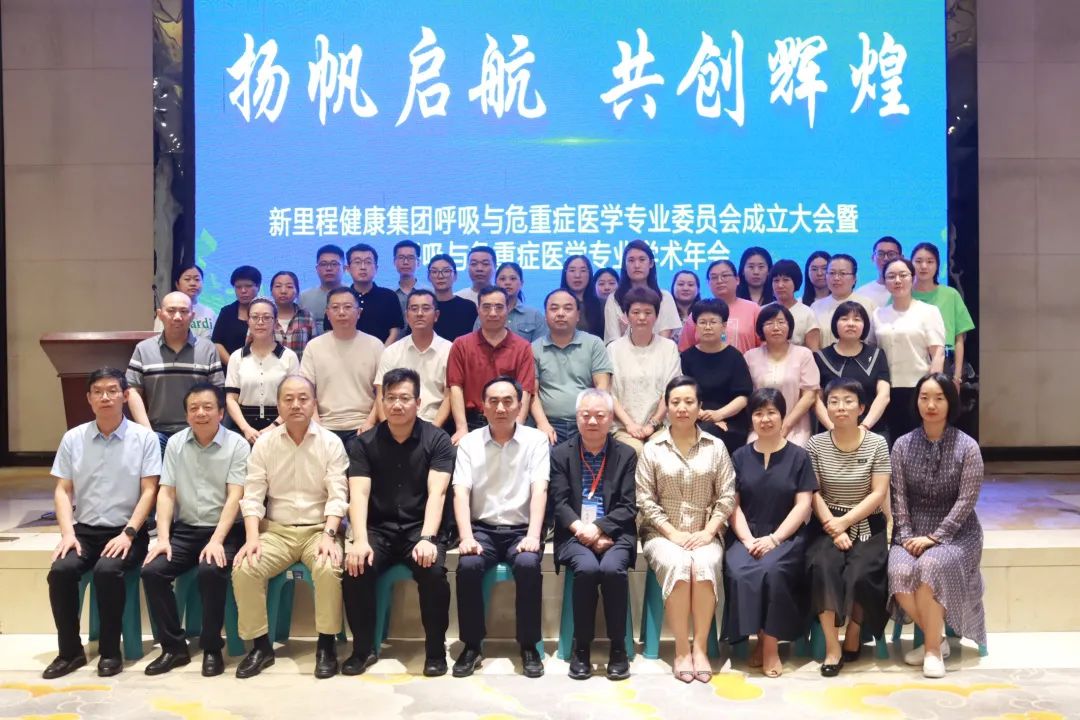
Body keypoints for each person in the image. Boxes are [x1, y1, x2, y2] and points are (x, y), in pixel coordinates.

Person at [44, 368, 160, 679]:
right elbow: (62, 490)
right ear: (89, 398)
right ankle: (70, 652)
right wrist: (67, 534)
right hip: (84, 531)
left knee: (107, 571)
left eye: (112, 390)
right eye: (98, 391)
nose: (105, 397)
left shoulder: (144, 438)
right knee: (61, 572)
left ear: (126, 395)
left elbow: (150, 490)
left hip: (127, 532)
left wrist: (128, 533)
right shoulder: (73, 438)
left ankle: (110, 651)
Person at [231, 375, 349, 679]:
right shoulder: (265, 444)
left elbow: (338, 496)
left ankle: (326, 645)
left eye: (303, 398)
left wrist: (329, 535)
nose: (296, 405)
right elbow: (253, 495)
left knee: (328, 566)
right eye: (288, 399)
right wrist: (252, 538)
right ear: (278, 405)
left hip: (318, 530)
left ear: (314, 403)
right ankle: (261, 647)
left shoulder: (331, 443)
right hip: (276, 531)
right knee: (246, 567)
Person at [341, 368, 456, 677]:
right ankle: (362, 649)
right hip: (378, 529)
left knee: (433, 572)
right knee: (355, 568)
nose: (397, 405)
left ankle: (435, 651)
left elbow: (438, 492)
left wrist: (428, 538)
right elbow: (359, 493)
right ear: (381, 402)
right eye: (390, 398)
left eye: (405, 398)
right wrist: (359, 540)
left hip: (421, 528)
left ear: (418, 402)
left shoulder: (438, 440)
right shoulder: (364, 443)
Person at [141, 383, 249, 677]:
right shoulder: (176, 443)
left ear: (221, 412)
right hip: (186, 530)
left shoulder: (237, 445)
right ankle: (174, 648)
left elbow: (236, 496)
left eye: (207, 407)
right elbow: (166, 493)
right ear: (187, 414)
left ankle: (212, 647)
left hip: (226, 530)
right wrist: (163, 538)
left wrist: (216, 540)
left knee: (210, 571)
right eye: (194, 408)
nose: (201, 413)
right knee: (152, 571)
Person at [636, 376, 736, 683]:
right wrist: (672, 534)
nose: (681, 408)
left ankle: (700, 648)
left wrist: (709, 532)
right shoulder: (652, 448)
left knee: (703, 565)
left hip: (705, 532)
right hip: (661, 533)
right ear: (666, 407)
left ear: (699, 406)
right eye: (675, 402)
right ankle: (681, 650)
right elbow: (644, 499)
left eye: (689, 402)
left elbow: (727, 495)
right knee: (679, 564)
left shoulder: (716, 446)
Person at [888, 373, 986, 679]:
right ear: (916, 401)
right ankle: (938, 639)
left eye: (939, 398)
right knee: (898, 572)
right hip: (911, 532)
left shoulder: (968, 447)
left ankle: (931, 650)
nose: (931, 405)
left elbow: (966, 501)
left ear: (950, 403)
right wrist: (906, 536)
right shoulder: (902, 445)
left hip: (958, 534)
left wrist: (935, 537)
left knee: (930, 565)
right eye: (924, 398)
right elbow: (898, 496)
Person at [451, 377, 550, 679]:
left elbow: (540, 489)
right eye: (493, 401)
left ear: (520, 406)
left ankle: (529, 646)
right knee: (468, 565)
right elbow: (460, 492)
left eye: (508, 401)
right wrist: (466, 537)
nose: (501, 408)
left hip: (522, 530)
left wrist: (533, 536)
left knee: (528, 564)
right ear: (483, 407)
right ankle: (472, 646)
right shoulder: (469, 443)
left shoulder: (536, 440)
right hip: (483, 530)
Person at [722, 388, 816, 678]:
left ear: (782, 416)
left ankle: (771, 646)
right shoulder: (739, 456)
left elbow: (803, 505)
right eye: (759, 413)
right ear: (751, 418)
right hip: (747, 534)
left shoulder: (799, 456)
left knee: (773, 571)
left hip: (786, 535)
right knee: (740, 571)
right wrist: (748, 539)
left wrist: (775, 539)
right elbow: (733, 506)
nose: (765, 419)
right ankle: (759, 637)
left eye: (771, 412)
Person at [805, 379, 891, 677]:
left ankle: (854, 629)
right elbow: (813, 492)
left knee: (862, 573)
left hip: (868, 523)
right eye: (834, 401)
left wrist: (845, 522)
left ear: (861, 408)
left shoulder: (877, 443)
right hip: (827, 523)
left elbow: (878, 493)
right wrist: (835, 527)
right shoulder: (815, 444)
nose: (840, 407)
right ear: (826, 408)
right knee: (823, 567)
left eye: (848, 401)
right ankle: (833, 646)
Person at [551, 389, 638, 681]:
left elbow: (628, 506)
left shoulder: (626, 454)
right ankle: (582, 648)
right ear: (576, 417)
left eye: (599, 415)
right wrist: (583, 530)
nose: (592, 421)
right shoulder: (561, 454)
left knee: (612, 569)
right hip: (573, 533)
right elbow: (559, 503)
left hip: (616, 533)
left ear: (611, 418)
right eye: (585, 415)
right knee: (587, 569)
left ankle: (618, 648)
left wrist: (598, 528)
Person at [127, 291, 224, 452]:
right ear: (160, 315)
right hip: (157, 432)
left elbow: (217, 391)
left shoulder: (208, 349)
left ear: (192, 316)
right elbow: (132, 390)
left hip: (198, 430)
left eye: (184, 311)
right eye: (171, 311)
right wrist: (147, 432)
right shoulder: (143, 349)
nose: (177, 317)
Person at [446, 286, 536, 443]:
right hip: (472, 422)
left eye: (499, 307)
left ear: (508, 309)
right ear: (478, 310)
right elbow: (455, 388)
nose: (493, 313)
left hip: (510, 419)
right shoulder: (461, 345)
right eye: (486, 307)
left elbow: (525, 391)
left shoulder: (523, 347)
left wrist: (517, 428)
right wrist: (461, 428)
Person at [873, 258, 945, 442]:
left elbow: (938, 353)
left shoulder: (929, 311)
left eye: (903, 275)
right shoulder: (878, 314)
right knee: (892, 441)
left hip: (918, 387)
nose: (897, 280)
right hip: (886, 389)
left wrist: (932, 387)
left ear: (912, 278)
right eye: (891, 276)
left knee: (920, 440)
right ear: (885, 281)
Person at [300, 287, 384, 443]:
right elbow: (306, 391)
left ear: (359, 312)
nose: (341, 312)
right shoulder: (314, 347)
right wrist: (316, 423)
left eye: (347, 307)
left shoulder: (375, 345)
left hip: (363, 424)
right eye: (335, 307)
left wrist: (370, 422)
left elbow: (382, 392)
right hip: (324, 425)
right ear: (327, 313)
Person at [531, 289, 613, 445]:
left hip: (587, 421)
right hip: (550, 423)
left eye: (568, 308)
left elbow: (602, 387)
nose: (560, 313)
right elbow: (532, 393)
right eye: (554, 308)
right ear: (545, 315)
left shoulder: (594, 343)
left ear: (578, 315)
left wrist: (590, 418)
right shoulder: (534, 348)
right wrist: (542, 424)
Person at [608, 287, 682, 455]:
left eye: (648, 312)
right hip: (623, 427)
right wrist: (629, 425)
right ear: (626, 316)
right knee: (635, 450)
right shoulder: (614, 349)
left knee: (657, 449)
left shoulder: (669, 347)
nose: (642, 317)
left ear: (656, 316)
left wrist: (652, 424)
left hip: (661, 425)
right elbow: (610, 394)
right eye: (635, 312)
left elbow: (671, 391)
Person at [678, 299, 753, 454]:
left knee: (707, 433)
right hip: (693, 417)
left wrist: (719, 415)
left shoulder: (735, 357)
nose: (707, 327)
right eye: (702, 322)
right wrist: (700, 414)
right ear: (695, 326)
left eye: (713, 322)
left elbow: (743, 397)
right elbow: (681, 393)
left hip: (731, 421)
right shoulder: (686, 357)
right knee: (702, 431)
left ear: (724, 326)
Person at [743, 304, 821, 447]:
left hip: (796, 425)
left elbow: (809, 395)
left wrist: (786, 425)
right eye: (769, 323)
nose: (776, 328)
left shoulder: (803, 354)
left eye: (781, 322)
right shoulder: (750, 356)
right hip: (761, 425)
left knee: (793, 452)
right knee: (753, 451)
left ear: (789, 326)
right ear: (760, 328)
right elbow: (747, 395)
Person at [224, 297, 300, 443]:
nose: (260, 322)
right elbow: (231, 399)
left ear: (275, 322)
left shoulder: (289, 357)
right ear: (248, 321)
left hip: (281, 426)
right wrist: (246, 429)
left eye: (266, 317)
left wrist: (273, 427)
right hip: (242, 429)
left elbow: (293, 399)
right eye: (255, 317)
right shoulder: (237, 357)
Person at [375, 289, 452, 427]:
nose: (419, 314)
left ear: (436, 315)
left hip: (435, 424)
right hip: (396, 423)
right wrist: (389, 428)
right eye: (414, 309)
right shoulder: (392, 351)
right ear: (407, 316)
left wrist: (432, 433)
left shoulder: (449, 350)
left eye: (426, 308)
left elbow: (449, 396)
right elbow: (381, 395)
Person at [813, 301, 891, 437]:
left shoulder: (877, 355)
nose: (851, 324)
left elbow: (884, 395)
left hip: (872, 430)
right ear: (835, 324)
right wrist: (834, 428)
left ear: (865, 325)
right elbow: (816, 400)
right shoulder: (820, 357)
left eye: (857, 319)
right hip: (831, 432)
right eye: (844, 319)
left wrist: (864, 427)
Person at [910, 242, 975, 391]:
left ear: (937, 265)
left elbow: (959, 339)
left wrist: (957, 376)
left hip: (945, 361)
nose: (924, 266)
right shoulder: (903, 295)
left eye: (930, 261)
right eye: (918, 261)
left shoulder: (950, 295)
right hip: (911, 362)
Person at [603, 240, 682, 344]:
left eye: (642, 260)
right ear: (624, 265)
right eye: (631, 260)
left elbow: (665, 340)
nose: (636, 265)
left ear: (651, 263)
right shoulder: (614, 299)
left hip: (659, 353)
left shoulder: (665, 297)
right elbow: (613, 342)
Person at [677, 260, 761, 354]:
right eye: (714, 277)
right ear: (708, 283)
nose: (719, 281)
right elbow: (685, 350)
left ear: (737, 279)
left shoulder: (753, 309)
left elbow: (764, 346)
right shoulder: (698, 311)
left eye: (725, 275)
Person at [330, 243, 403, 345]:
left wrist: (382, 352)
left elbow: (395, 331)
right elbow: (329, 330)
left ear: (376, 268)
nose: (363, 267)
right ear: (348, 269)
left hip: (383, 353)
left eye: (368, 262)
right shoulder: (338, 297)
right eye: (357, 262)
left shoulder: (389, 296)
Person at [472, 261, 545, 342]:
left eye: (513, 279)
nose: (507, 283)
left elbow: (540, 347)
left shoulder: (534, 316)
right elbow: (475, 344)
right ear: (495, 283)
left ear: (521, 283)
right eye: (502, 279)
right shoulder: (485, 315)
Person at [212, 265, 262, 366]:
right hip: (231, 368)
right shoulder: (227, 312)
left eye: (248, 286)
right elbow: (217, 343)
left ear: (258, 286)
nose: (243, 291)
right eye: (238, 287)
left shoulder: (268, 311)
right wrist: (234, 366)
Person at [768, 259, 821, 350]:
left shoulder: (807, 313)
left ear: (795, 283)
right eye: (776, 280)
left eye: (786, 280)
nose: (780, 285)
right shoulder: (763, 311)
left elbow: (814, 351)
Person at [153, 264, 215, 339]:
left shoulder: (210, 313)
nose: (193, 283)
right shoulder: (167, 312)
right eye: (187, 279)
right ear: (177, 284)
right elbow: (158, 339)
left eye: (197, 279)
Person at [428, 253, 478, 340]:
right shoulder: (424, 307)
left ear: (455, 275)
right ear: (429, 277)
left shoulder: (468, 307)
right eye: (434, 272)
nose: (440, 276)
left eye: (446, 271)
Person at [299, 244, 345, 335]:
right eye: (323, 264)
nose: (329, 268)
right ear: (317, 269)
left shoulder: (352, 295)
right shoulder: (304, 297)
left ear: (344, 268)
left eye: (334, 264)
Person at [269, 271, 315, 359]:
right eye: (278, 286)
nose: (283, 291)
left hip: (300, 367)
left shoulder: (306, 317)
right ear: (271, 291)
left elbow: (314, 349)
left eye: (289, 287)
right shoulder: (262, 316)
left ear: (297, 292)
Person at [560, 254, 603, 336]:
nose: (577, 275)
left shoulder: (601, 305)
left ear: (589, 274)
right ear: (565, 274)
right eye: (572, 270)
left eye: (583, 270)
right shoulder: (556, 304)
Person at [856, 236, 903, 308]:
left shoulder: (909, 290)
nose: (885, 258)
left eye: (891, 254)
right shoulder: (861, 294)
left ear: (901, 258)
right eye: (880, 254)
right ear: (873, 258)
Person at [392, 240, 425, 319]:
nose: (406, 262)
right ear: (394, 262)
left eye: (411, 258)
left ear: (418, 262)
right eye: (401, 258)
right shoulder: (389, 294)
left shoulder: (429, 293)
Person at [670, 270, 701, 346]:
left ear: (698, 289)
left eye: (690, 285)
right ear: (673, 287)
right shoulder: (663, 312)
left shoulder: (705, 313)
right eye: (681, 284)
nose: (685, 288)